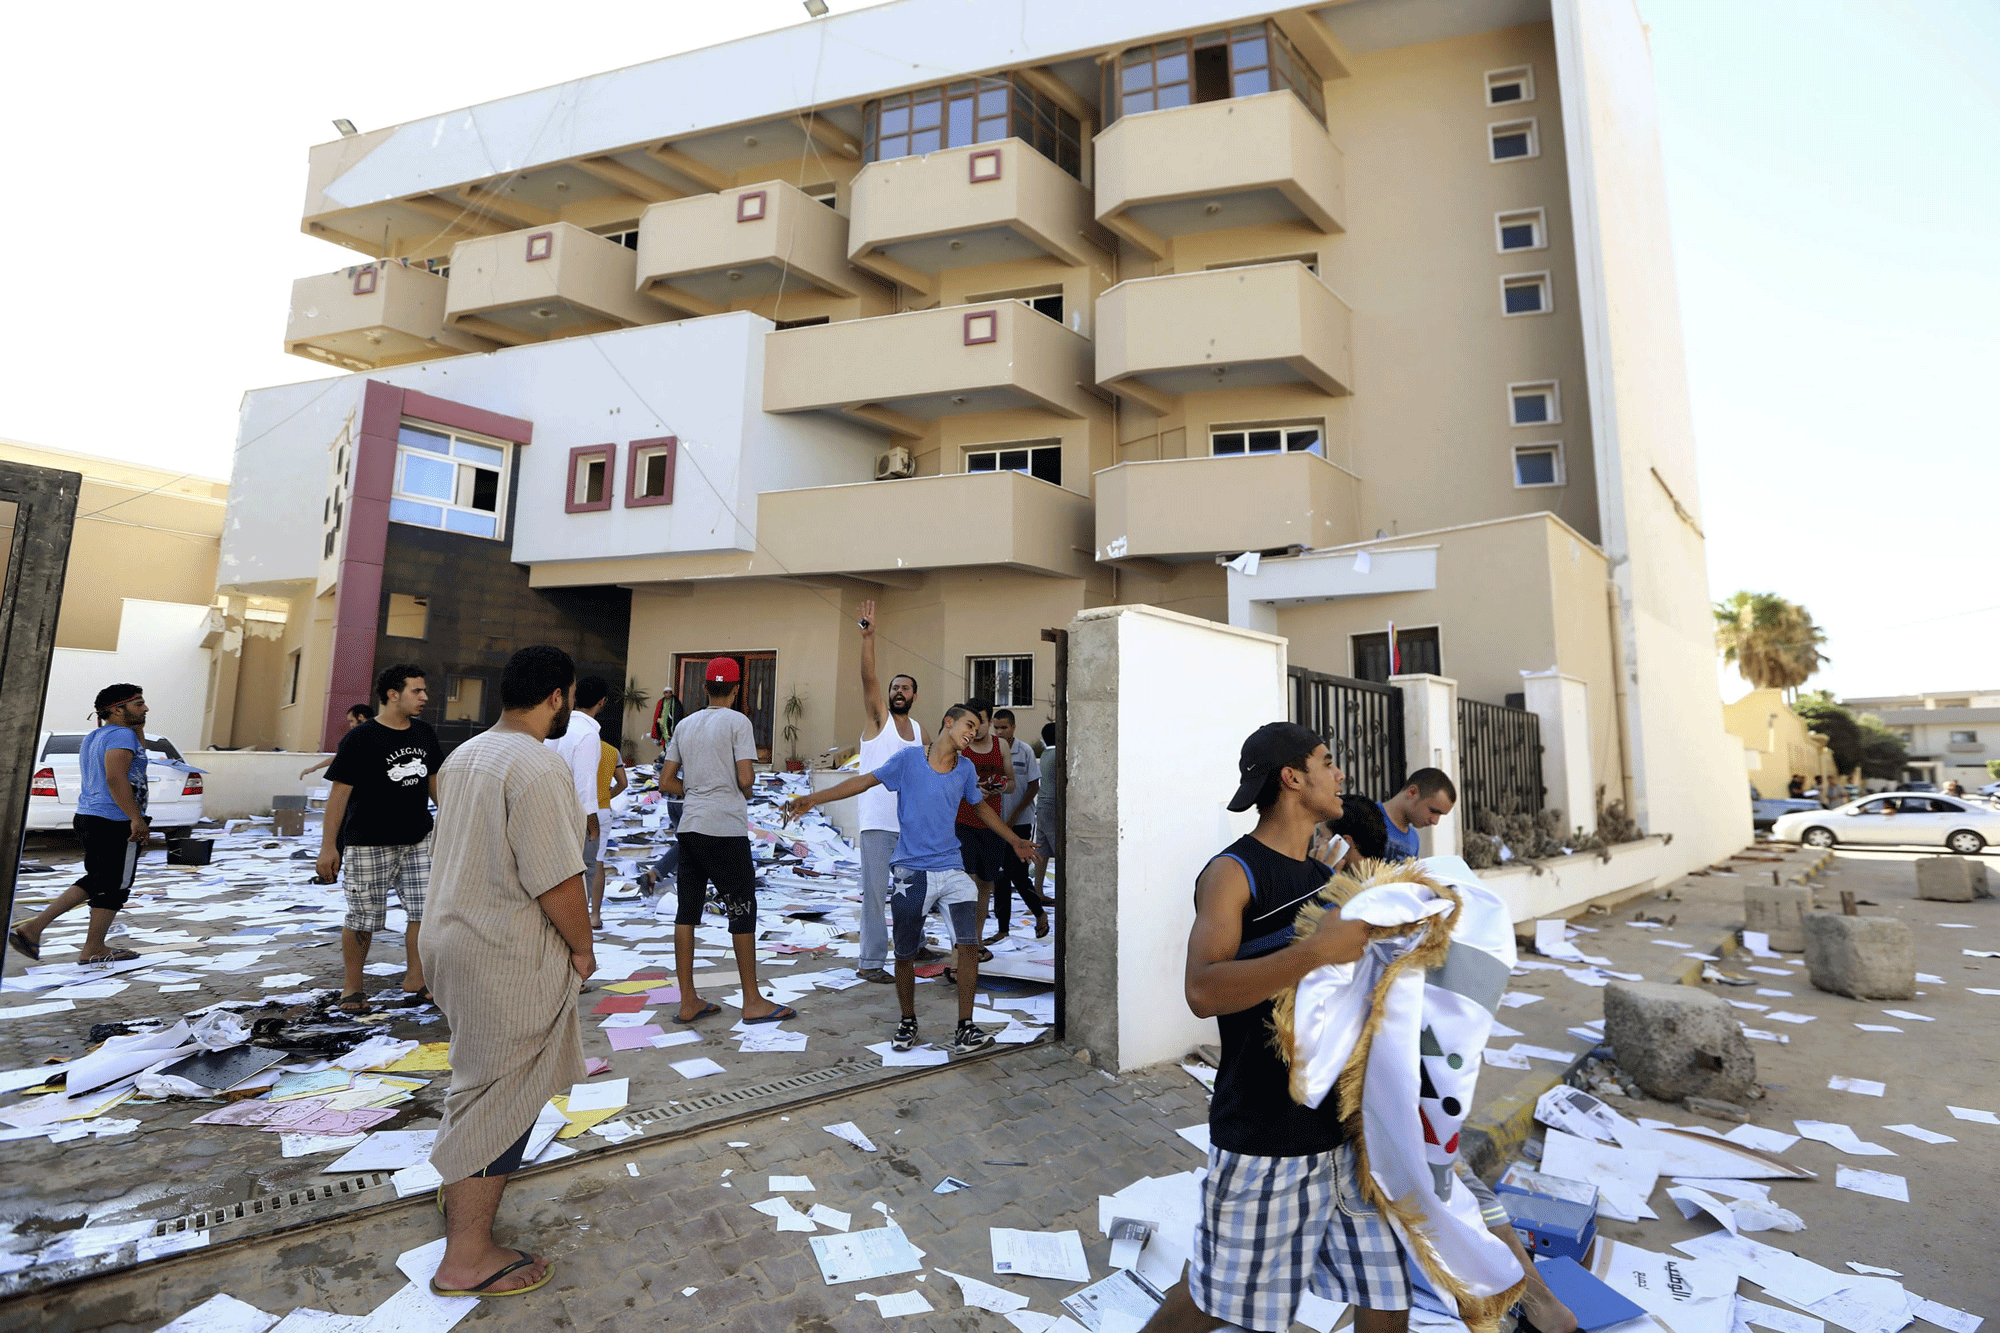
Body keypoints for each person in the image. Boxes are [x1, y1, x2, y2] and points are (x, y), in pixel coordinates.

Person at [1138, 721, 1408, 1333]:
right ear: (1292, 778)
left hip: (1347, 1137)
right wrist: (1313, 951)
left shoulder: (1325, 882)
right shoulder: (1233, 873)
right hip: (1266, 1135)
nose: (1340, 774)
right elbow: (1202, 990)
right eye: (1327, 761)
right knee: (1214, 1298)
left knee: (1388, 1303)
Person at [421, 645, 591, 1300]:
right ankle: (466, 1255)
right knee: (498, 1096)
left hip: (454, 938)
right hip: (502, 949)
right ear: (557, 696)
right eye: (566, 698)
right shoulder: (536, 764)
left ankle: (462, 1191)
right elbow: (556, 876)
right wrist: (582, 947)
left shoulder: (465, 755)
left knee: (482, 1081)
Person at [783, 704, 1031, 1055]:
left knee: (969, 946)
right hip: (911, 873)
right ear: (948, 723)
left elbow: (982, 808)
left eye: (978, 728)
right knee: (904, 953)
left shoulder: (964, 769)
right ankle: (908, 1020)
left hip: (952, 869)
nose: (974, 733)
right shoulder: (908, 761)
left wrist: (1014, 840)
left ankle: (965, 1027)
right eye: (969, 725)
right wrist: (812, 799)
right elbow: (862, 781)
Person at [659, 657, 793, 1025]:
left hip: (690, 826)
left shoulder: (685, 725)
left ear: (704, 688)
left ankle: (688, 1000)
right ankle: (752, 1000)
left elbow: (666, 782)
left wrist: (696, 788)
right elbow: (746, 777)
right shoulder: (739, 722)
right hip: (726, 828)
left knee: (687, 911)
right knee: (741, 910)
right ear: (737, 690)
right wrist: (737, 790)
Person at [315, 666, 444, 1014]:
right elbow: (338, 796)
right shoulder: (360, 738)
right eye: (417, 691)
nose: (424, 698)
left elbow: (435, 785)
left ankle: (416, 980)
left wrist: (452, 820)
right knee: (363, 918)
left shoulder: (424, 733)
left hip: (418, 840)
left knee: (424, 911)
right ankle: (352, 989)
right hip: (368, 841)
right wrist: (329, 847)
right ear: (392, 694)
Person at [9, 684, 153, 964]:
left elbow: (139, 760)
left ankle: (37, 930)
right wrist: (136, 818)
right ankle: (87, 946)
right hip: (115, 819)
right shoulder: (121, 735)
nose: (145, 709)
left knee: (98, 880)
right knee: (114, 886)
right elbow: (116, 778)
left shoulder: (99, 735)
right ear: (116, 710)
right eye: (138, 704)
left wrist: (138, 726)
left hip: (92, 816)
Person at [854, 599, 925, 984]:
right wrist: (869, 638)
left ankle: (915, 945)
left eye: (905, 688)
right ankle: (870, 961)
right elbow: (869, 680)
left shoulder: (920, 733)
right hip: (878, 823)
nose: (898, 691)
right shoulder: (878, 719)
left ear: (915, 696)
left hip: (910, 825)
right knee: (876, 896)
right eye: (895, 687)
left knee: (914, 893)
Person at [952, 697, 1014, 958]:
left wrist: (1000, 786)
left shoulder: (1000, 746)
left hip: (992, 824)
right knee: (966, 883)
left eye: (981, 722)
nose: (976, 728)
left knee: (985, 884)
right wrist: (973, 791)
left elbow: (1012, 782)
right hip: (964, 823)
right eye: (971, 722)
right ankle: (963, 943)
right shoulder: (960, 748)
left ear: (989, 721)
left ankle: (975, 942)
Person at [545, 676, 611, 923]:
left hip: (551, 811)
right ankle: (577, 931)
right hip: (574, 816)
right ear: (602, 702)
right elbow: (584, 787)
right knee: (583, 873)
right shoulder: (587, 734)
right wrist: (592, 824)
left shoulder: (558, 726)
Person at [988, 708, 1050, 942]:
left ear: (1013, 727)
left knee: (1019, 875)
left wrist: (1014, 815)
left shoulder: (1023, 751)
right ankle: (1003, 928)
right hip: (996, 823)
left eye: (1004, 727)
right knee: (1000, 876)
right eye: (997, 728)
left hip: (1020, 823)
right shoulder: (991, 751)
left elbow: (1033, 786)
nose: (1000, 732)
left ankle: (1040, 913)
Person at [1330, 768, 1458, 867]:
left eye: (1440, 815)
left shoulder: (1414, 839)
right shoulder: (1365, 816)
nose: (1435, 821)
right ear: (1412, 792)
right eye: (1433, 811)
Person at [587, 740, 627, 929]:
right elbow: (623, 783)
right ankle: (595, 915)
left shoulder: (573, 743)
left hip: (577, 808)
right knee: (598, 862)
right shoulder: (612, 751)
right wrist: (606, 796)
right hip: (602, 810)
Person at [300, 704, 375, 780]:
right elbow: (341, 755)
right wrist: (314, 768)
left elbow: (342, 756)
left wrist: (314, 768)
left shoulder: (359, 736)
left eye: (351, 721)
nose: (351, 725)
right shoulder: (378, 733)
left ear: (361, 717)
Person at [1031, 721, 1058, 895]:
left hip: (1041, 806)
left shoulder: (1046, 754)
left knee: (1042, 851)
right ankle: (1062, 892)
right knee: (1059, 850)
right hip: (1052, 807)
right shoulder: (1058, 755)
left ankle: (1038, 890)